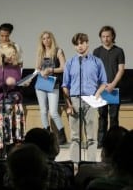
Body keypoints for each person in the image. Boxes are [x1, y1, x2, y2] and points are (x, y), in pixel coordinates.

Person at [62, 33, 107, 162]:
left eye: (82, 43)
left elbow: (103, 82)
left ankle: (91, 163)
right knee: (75, 136)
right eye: (77, 44)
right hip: (75, 100)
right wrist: (69, 104)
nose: (79, 46)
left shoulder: (97, 62)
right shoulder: (70, 63)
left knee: (92, 136)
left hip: (91, 99)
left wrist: (96, 96)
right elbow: (65, 85)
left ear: (87, 43)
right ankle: (75, 163)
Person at [0, 23, 23, 150]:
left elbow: (18, 79)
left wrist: (22, 83)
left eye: (7, 36)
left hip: (15, 98)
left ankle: (16, 143)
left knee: (15, 121)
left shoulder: (16, 65)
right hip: (2, 97)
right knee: (1, 120)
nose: (4, 38)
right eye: (2, 35)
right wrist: (5, 82)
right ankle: (0, 143)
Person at [0, 43, 26, 159]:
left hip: (16, 103)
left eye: (13, 54)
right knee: (4, 131)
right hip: (3, 103)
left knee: (16, 132)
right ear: (2, 55)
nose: (11, 57)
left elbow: (18, 84)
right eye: (9, 55)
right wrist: (5, 83)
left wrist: (23, 84)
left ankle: (14, 155)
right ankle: (2, 155)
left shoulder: (16, 68)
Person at [93, 25, 125, 149]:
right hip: (101, 89)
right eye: (103, 36)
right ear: (101, 38)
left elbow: (121, 69)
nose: (106, 39)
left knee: (114, 116)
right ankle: (101, 142)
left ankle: (114, 143)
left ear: (112, 37)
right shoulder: (97, 51)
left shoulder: (119, 51)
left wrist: (112, 84)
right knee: (102, 116)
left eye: (108, 36)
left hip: (114, 89)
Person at [35, 31, 67, 145]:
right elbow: (37, 68)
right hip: (41, 83)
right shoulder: (41, 52)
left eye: (48, 38)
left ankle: (61, 136)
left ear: (51, 39)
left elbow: (63, 68)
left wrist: (50, 70)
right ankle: (46, 135)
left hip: (53, 83)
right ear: (41, 41)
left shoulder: (58, 51)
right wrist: (39, 71)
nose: (46, 40)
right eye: (44, 38)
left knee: (53, 111)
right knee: (43, 111)